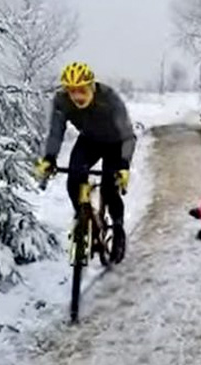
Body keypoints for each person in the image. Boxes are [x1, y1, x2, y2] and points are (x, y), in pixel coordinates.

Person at [35, 62, 136, 264]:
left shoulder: (109, 99)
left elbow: (128, 136)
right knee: (74, 178)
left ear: (92, 86)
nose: (77, 96)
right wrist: (50, 158)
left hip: (116, 142)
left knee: (109, 186)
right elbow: (55, 132)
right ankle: (83, 216)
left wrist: (124, 165)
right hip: (90, 140)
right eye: (72, 91)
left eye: (82, 90)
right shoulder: (62, 101)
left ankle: (117, 229)